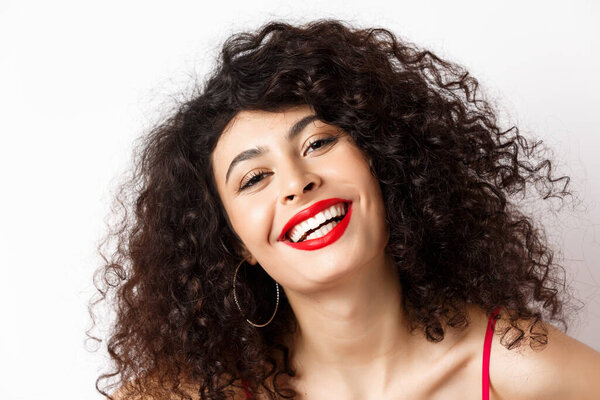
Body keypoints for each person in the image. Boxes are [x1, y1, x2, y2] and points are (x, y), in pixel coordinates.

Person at [92, 19, 600, 399]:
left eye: (317, 144)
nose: (297, 182)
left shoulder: (525, 370)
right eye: (255, 178)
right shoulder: (187, 394)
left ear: (385, 162)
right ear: (236, 243)